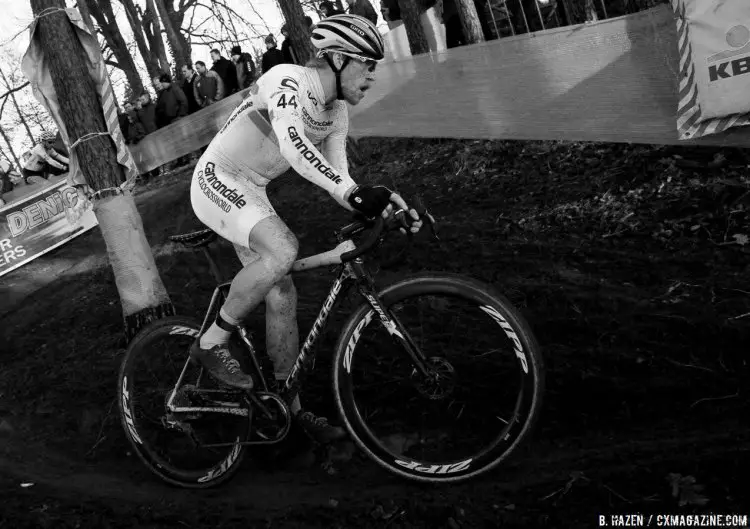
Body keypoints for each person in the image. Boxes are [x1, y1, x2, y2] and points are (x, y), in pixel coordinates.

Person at [189, 14, 422, 443]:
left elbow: (341, 180)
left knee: (281, 290)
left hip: (251, 187)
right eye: (365, 63)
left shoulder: (337, 114)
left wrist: (381, 202)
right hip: (216, 178)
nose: (372, 75)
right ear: (335, 58)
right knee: (282, 250)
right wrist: (353, 195)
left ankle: (287, 408)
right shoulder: (287, 80)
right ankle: (210, 343)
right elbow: (295, 145)